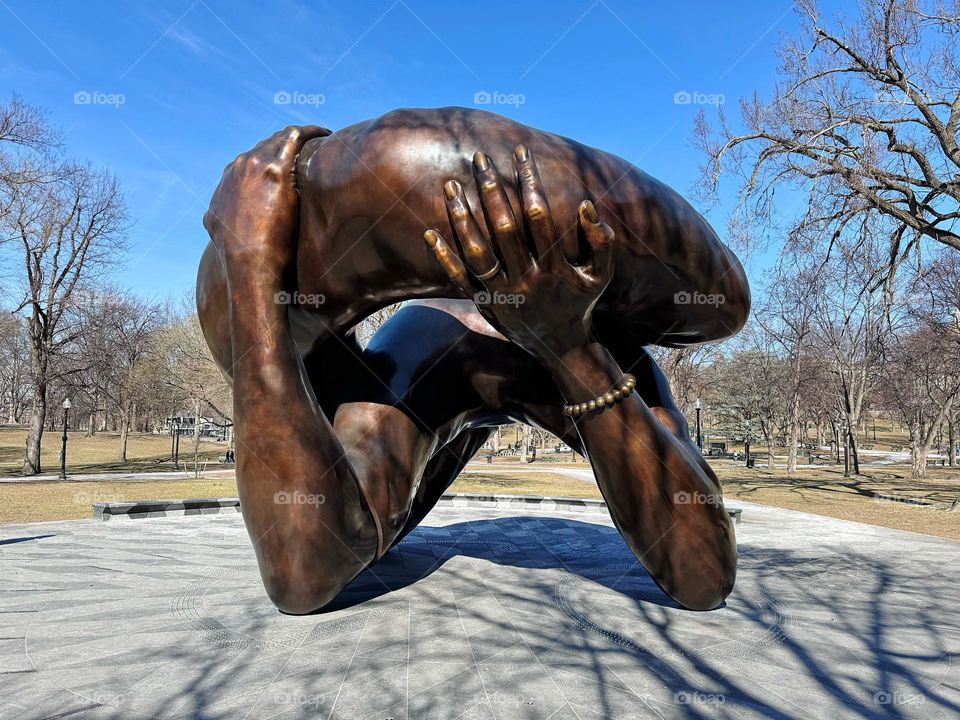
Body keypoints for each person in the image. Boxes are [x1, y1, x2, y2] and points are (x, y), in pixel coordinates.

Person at [199, 122, 742, 614]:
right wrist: (252, 266)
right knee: (348, 501)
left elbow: (706, 578)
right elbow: (300, 578)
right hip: (431, 364)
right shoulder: (423, 351)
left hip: (559, 341)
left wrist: (568, 348)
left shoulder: (610, 354)